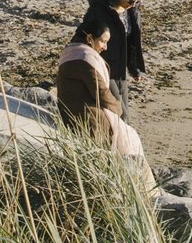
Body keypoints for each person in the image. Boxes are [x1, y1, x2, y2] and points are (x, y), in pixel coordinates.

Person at [56, 27, 146, 167]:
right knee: (129, 139)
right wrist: (119, 110)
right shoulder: (84, 59)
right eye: (103, 41)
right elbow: (102, 93)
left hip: (71, 114)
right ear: (90, 39)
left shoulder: (70, 53)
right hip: (90, 122)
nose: (105, 47)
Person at [79, 0, 146, 93]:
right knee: (116, 108)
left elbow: (131, 41)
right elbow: (82, 34)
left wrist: (134, 69)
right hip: (102, 66)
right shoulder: (99, 11)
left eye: (137, 1)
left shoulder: (132, 11)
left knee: (122, 109)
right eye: (130, 0)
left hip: (120, 70)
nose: (133, 4)